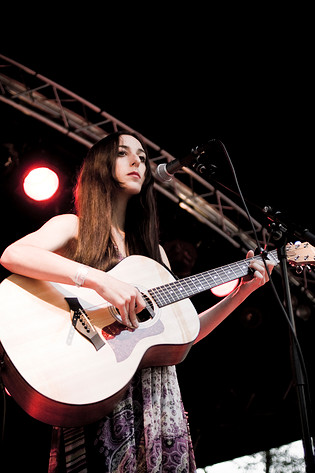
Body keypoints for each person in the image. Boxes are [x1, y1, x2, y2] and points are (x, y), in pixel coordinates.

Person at [0, 131, 274, 472]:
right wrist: (99, 280)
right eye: (123, 154)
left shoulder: (154, 254)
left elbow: (183, 333)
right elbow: (14, 255)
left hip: (158, 399)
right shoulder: (73, 226)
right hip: (96, 384)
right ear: (100, 166)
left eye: (143, 158)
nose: (137, 162)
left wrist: (241, 292)